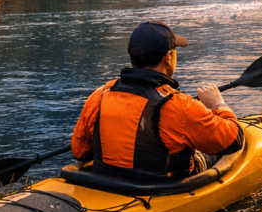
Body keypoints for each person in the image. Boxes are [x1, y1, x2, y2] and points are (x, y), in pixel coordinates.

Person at [71, 20, 243, 181]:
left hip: (110, 185)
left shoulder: (100, 95)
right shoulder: (180, 106)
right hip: (159, 190)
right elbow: (234, 140)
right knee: (204, 147)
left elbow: (80, 152)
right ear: (168, 57)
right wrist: (218, 104)